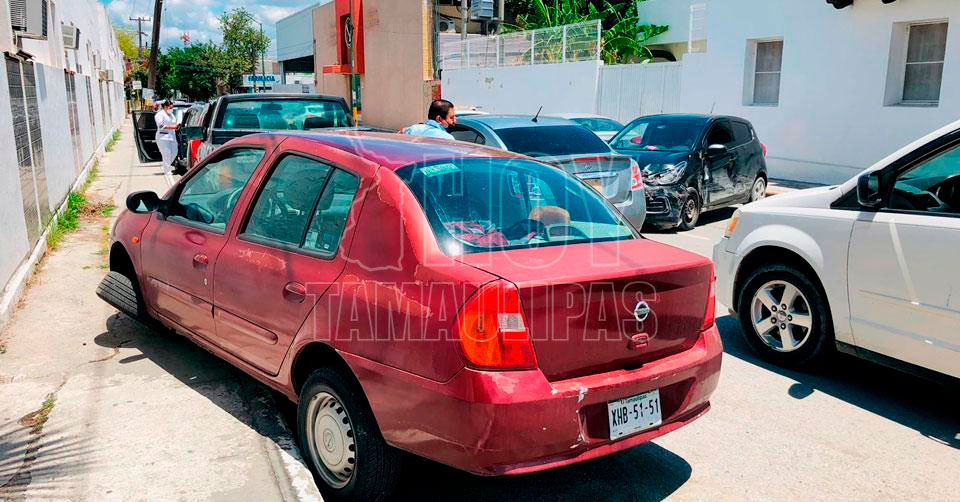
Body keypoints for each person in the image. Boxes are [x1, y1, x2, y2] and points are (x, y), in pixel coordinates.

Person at [154, 100, 180, 186]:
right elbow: (161, 126)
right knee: (167, 154)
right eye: (170, 107)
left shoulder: (171, 115)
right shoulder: (159, 114)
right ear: (165, 107)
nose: (172, 109)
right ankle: (167, 171)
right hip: (163, 137)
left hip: (172, 137)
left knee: (175, 152)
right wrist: (173, 127)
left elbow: (174, 123)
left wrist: (177, 126)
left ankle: (167, 166)